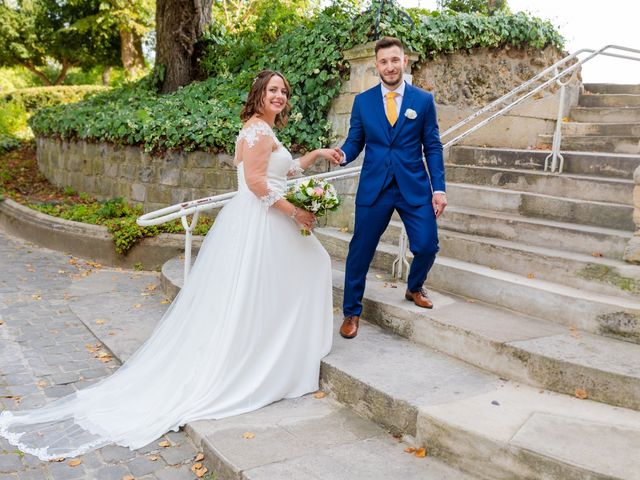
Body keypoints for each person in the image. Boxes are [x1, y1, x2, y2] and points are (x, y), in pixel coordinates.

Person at [0, 70, 341, 461]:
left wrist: (315, 156)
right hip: (265, 221)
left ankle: (283, 349)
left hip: (256, 220)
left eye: (284, 90)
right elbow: (258, 184)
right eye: (273, 90)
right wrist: (295, 211)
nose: (280, 95)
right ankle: (276, 356)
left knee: (292, 274)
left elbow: (282, 170)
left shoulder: (256, 129)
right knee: (309, 264)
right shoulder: (259, 132)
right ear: (259, 95)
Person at [336, 37, 447, 339]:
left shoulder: (422, 100)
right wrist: (343, 154)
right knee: (360, 251)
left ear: (404, 61)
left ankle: (414, 286)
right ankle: (351, 312)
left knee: (427, 245)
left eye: (394, 60)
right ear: (377, 65)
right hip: (376, 186)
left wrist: (439, 188)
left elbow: (433, 146)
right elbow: (355, 140)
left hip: (414, 185)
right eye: (384, 61)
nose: (390, 66)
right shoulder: (363, 102)